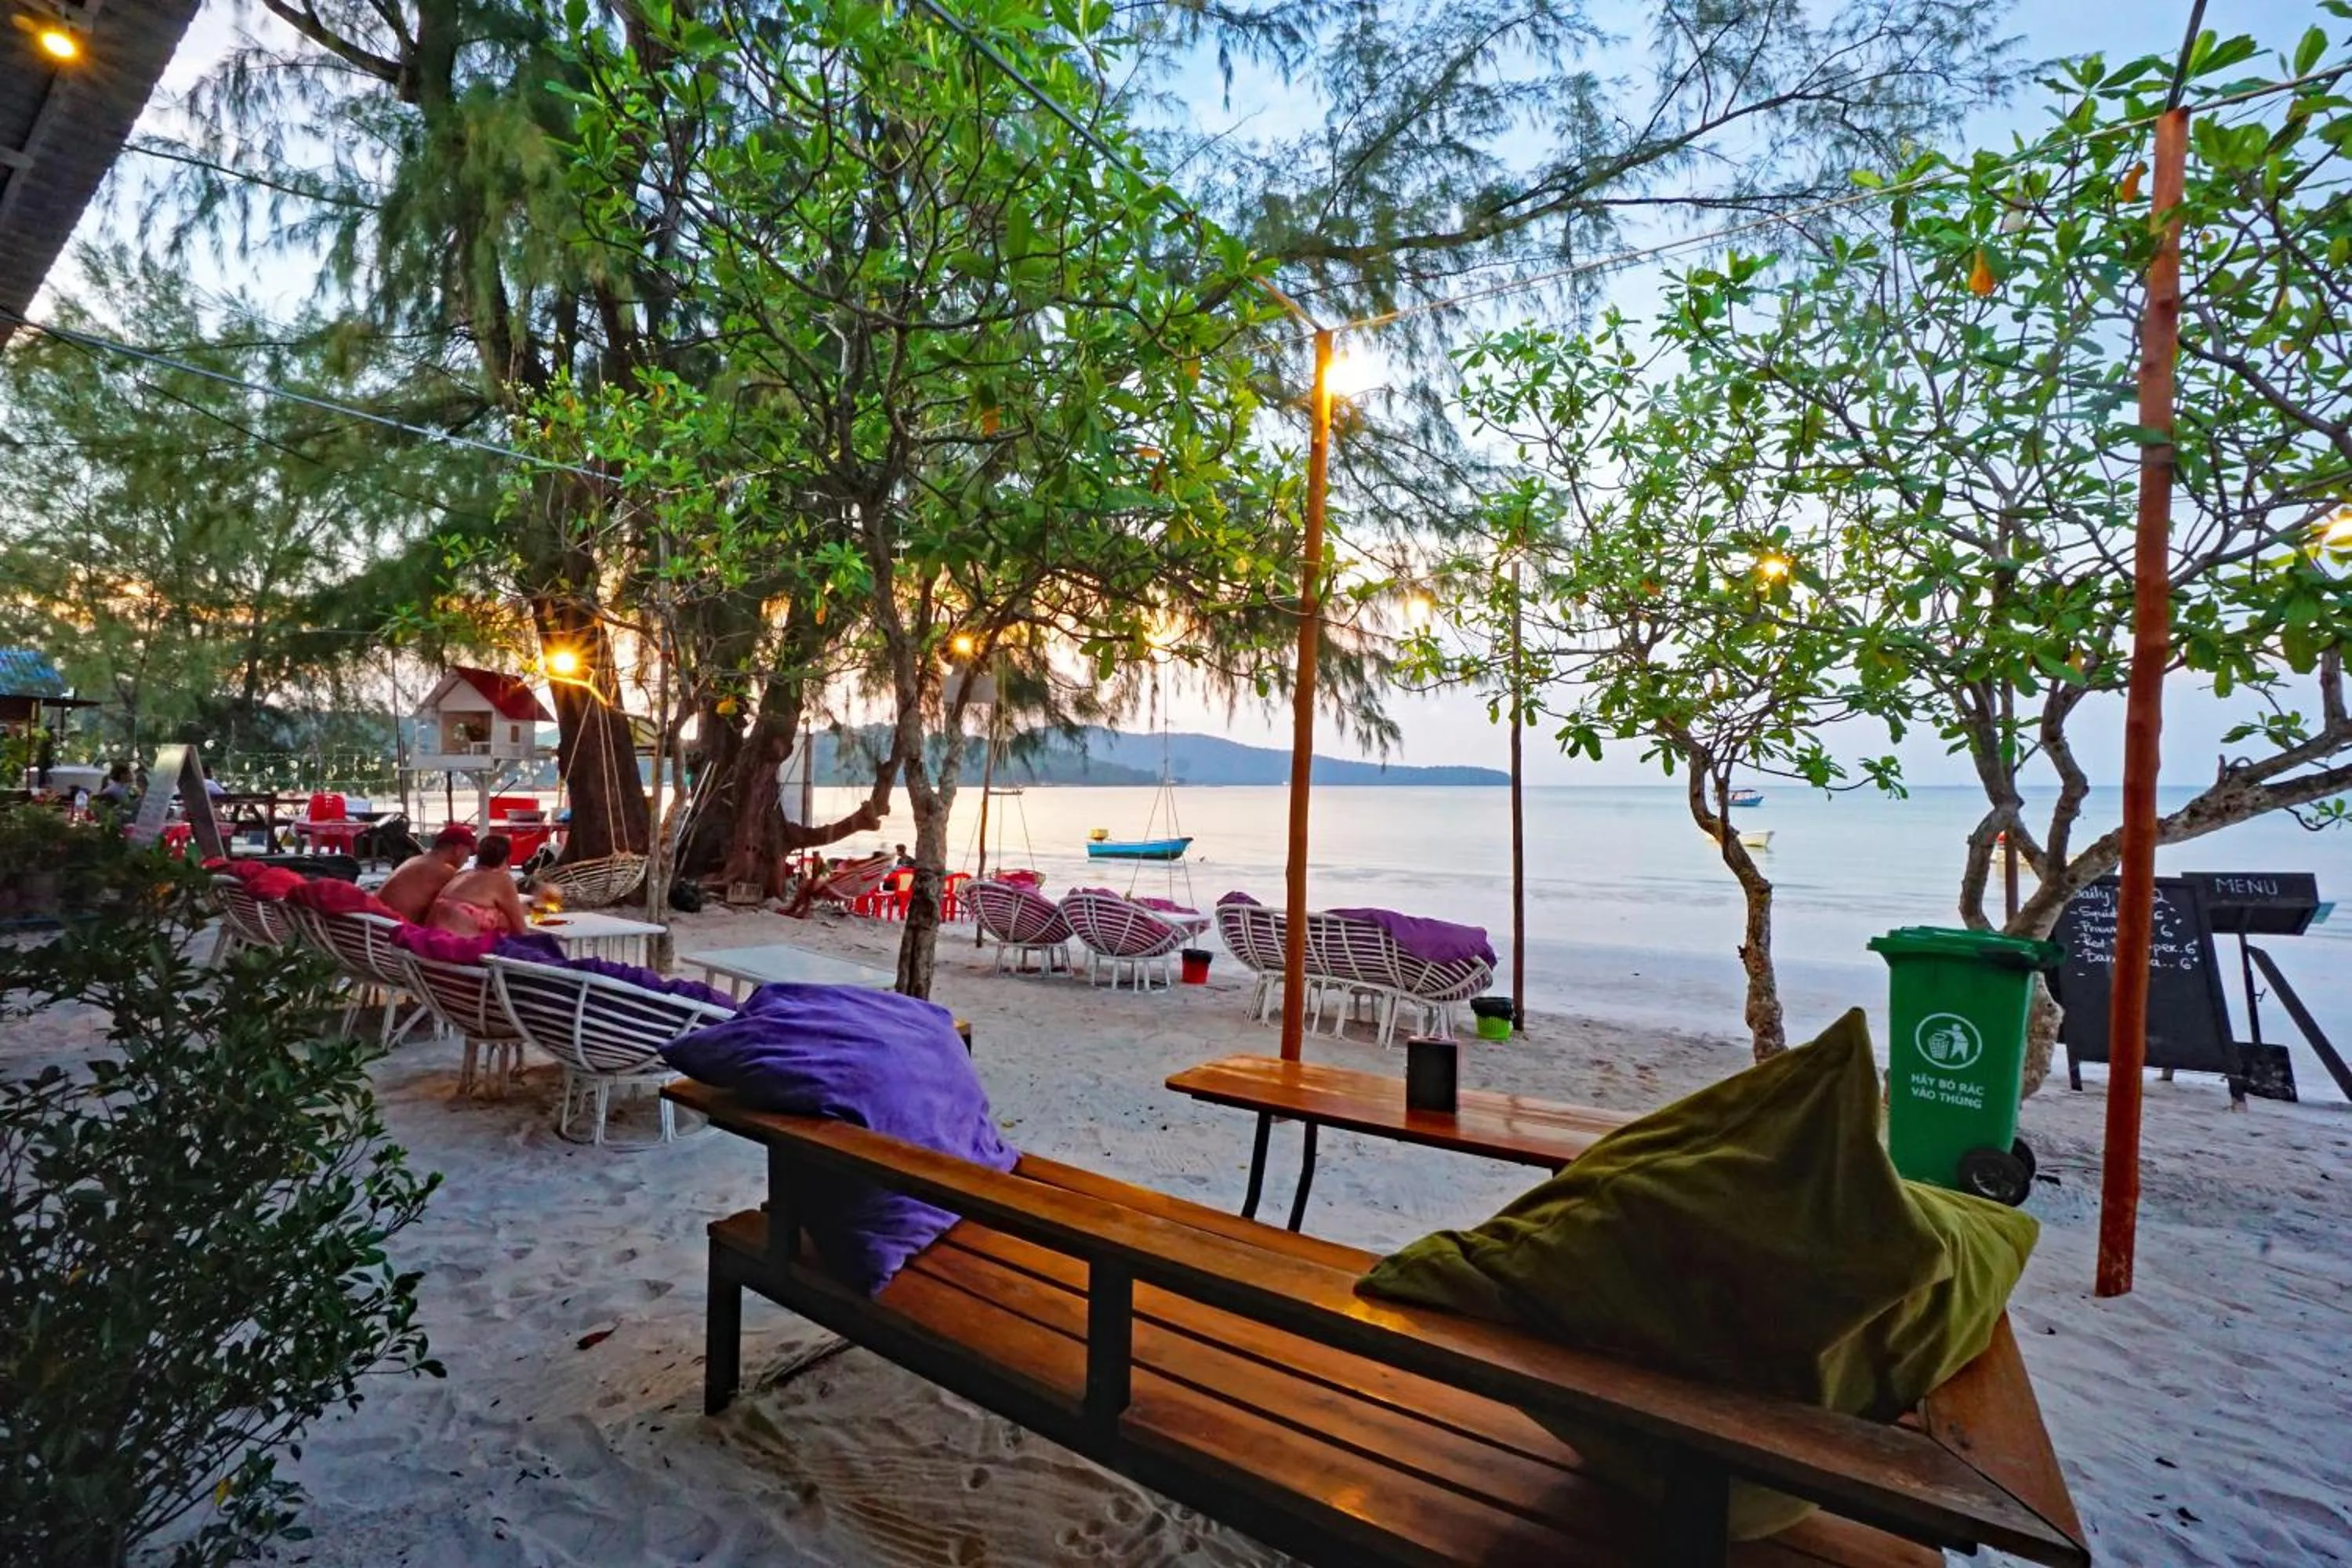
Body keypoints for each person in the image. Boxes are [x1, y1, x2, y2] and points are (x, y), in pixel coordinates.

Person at [426, 833, 533, 937]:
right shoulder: (502, 880)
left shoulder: (461, 874)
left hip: (428, 939)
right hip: (456, 946)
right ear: (508, 859)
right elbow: (520, 929)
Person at [378, 826, 477, 924]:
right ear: (458, 850)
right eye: (468, 854)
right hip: (392, 932)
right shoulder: (445, 870)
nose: (467, 860)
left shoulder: (414, 860)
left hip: (372, 925)